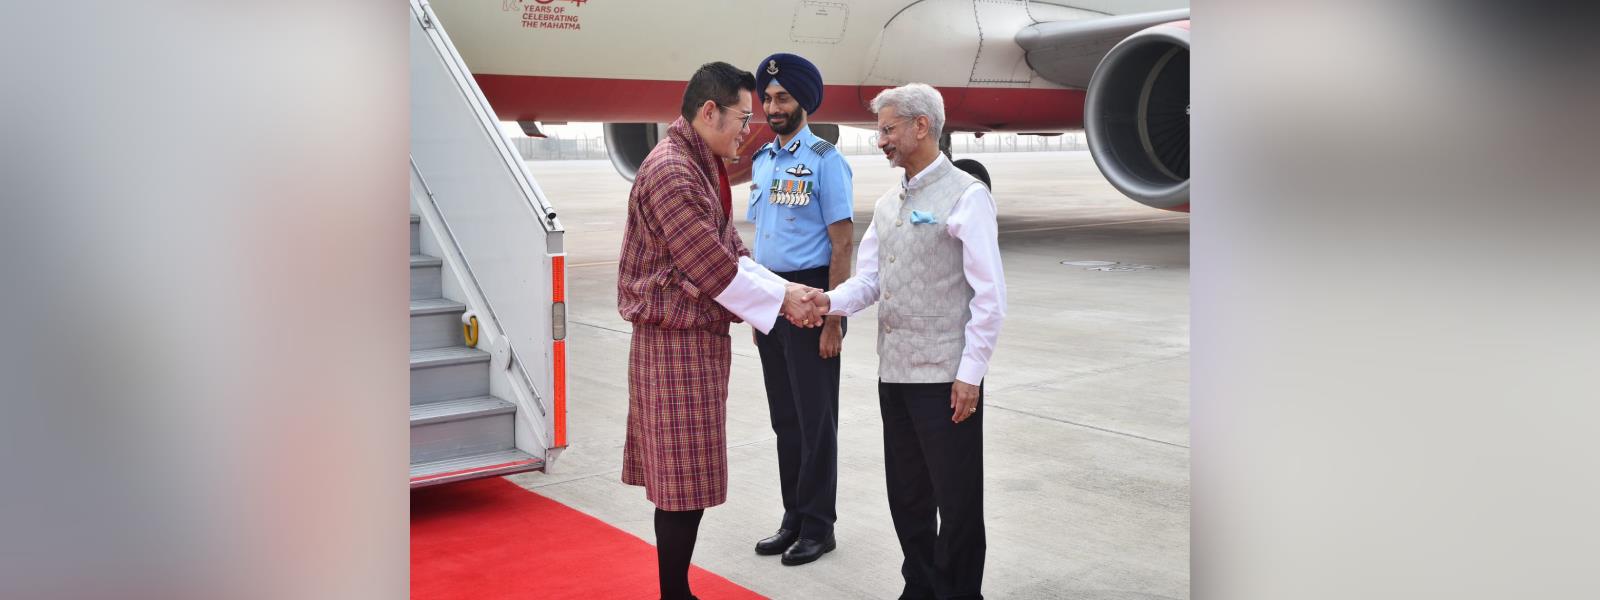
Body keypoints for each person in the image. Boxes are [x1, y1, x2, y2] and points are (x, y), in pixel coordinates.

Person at [616, 61, 822, 600]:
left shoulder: (698, 161)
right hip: (672, 345)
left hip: (695, 343)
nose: (747, 129)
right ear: (709, 111)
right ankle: (674, 592)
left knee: (691, 477)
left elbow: (731, 249)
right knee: (682, 482)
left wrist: (782, 291)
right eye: (741, 117)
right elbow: (711, 266)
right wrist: (785, 301)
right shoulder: (671, 170)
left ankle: (676, 589)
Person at [804, 83, 1006, 599]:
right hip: (894, 374)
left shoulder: (966, 195)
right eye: (879, 131)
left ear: (922, 126)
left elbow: (990, 297)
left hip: (944, 379)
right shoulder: (889, 203)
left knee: (957, 501)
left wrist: (970, 374)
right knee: (908, 496)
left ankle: (959, 591)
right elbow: (870, 280)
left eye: (888, 129)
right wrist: (826, 302)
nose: (880, 141)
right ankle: (919, 584)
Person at [745, 52, 855, 567]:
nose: (772, 107)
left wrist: (835, 318)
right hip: (771, 299)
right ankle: (793, 516)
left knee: (817, 420)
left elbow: (842, 245)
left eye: (782, 98)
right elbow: (762, 241)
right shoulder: (763, 161)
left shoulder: (826, 160)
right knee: (784, 419)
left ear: (803, 102)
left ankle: (819, 525)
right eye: (767, 99)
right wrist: (757, 310)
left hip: (812, 298)